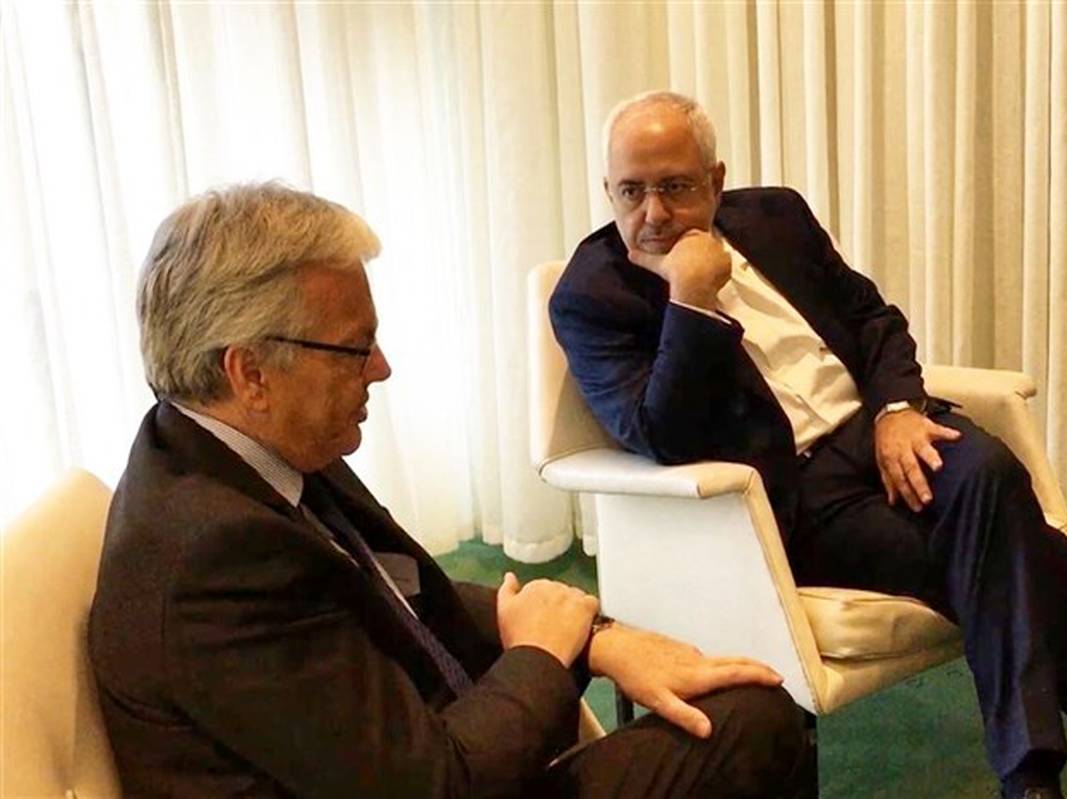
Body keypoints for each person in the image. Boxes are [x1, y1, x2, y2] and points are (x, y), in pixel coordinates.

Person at [88, 183, 812, 798]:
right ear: (250, 373)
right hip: (442, 776)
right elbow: (438, 785)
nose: (380, 368)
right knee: (755, 729)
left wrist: (596, 638)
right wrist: (543, 655)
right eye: (354, 347)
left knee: (745, 712)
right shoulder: (211, 562)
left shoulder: (240, 444)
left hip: (427, 740)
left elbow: (404, 588)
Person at [549, 91, 1067, 799]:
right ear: (608, 190)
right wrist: (690, 301)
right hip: (793, 498)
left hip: (880, 435)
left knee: (989, 470)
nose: (653, 213)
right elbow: (662, 436)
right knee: (1028, 553)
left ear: (715, 182)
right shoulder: (591, 297)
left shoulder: (775, 216)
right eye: (631, 191)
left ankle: (1044, 779)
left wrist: (896, 409)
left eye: (675, 187)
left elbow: (874, 320)